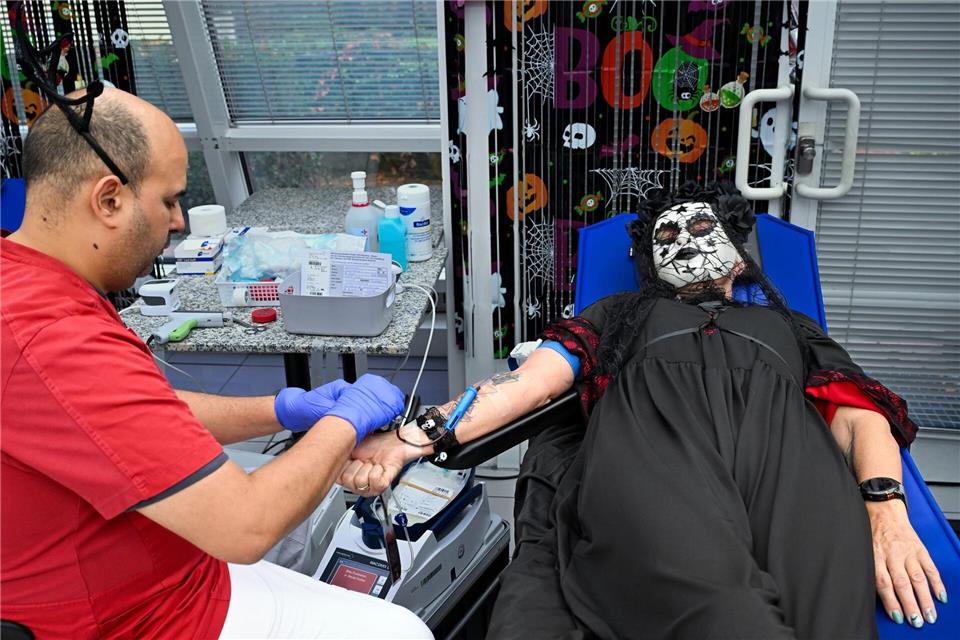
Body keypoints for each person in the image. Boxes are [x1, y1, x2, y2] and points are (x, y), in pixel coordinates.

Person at [340, 183, 947, 639]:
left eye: (701, 229)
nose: (683, 242)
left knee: (827, 612)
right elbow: (527, 385)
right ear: (650, 266)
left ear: (738, 255)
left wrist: (884, 509)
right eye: (666, 239)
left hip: (787, 459)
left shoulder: (790, 325)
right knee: (725, 611)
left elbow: (858, 414)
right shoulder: (618, 314)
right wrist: (417, 437)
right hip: (656, 450)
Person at [0, 87, 432, 639]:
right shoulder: (54, 339)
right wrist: (345, 420)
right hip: (146, 618)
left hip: (156, 568)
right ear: (108, 200)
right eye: (168, 200)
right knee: (402, 631)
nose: (179, 222)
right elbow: (245, 527)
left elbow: (131, 418)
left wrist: (284, 408)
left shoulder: (28, 280)